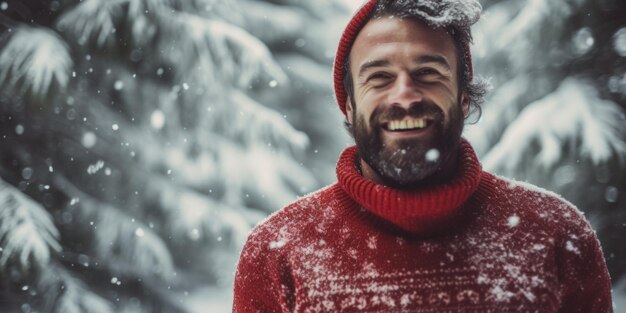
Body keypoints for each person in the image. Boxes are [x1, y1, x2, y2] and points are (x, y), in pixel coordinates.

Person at [232, 0, 613, 312]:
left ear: (463, 98)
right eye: (379, 77)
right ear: (348, 105)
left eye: (428, 73)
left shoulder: (556, 234)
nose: (405, 95)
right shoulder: (277, 251)